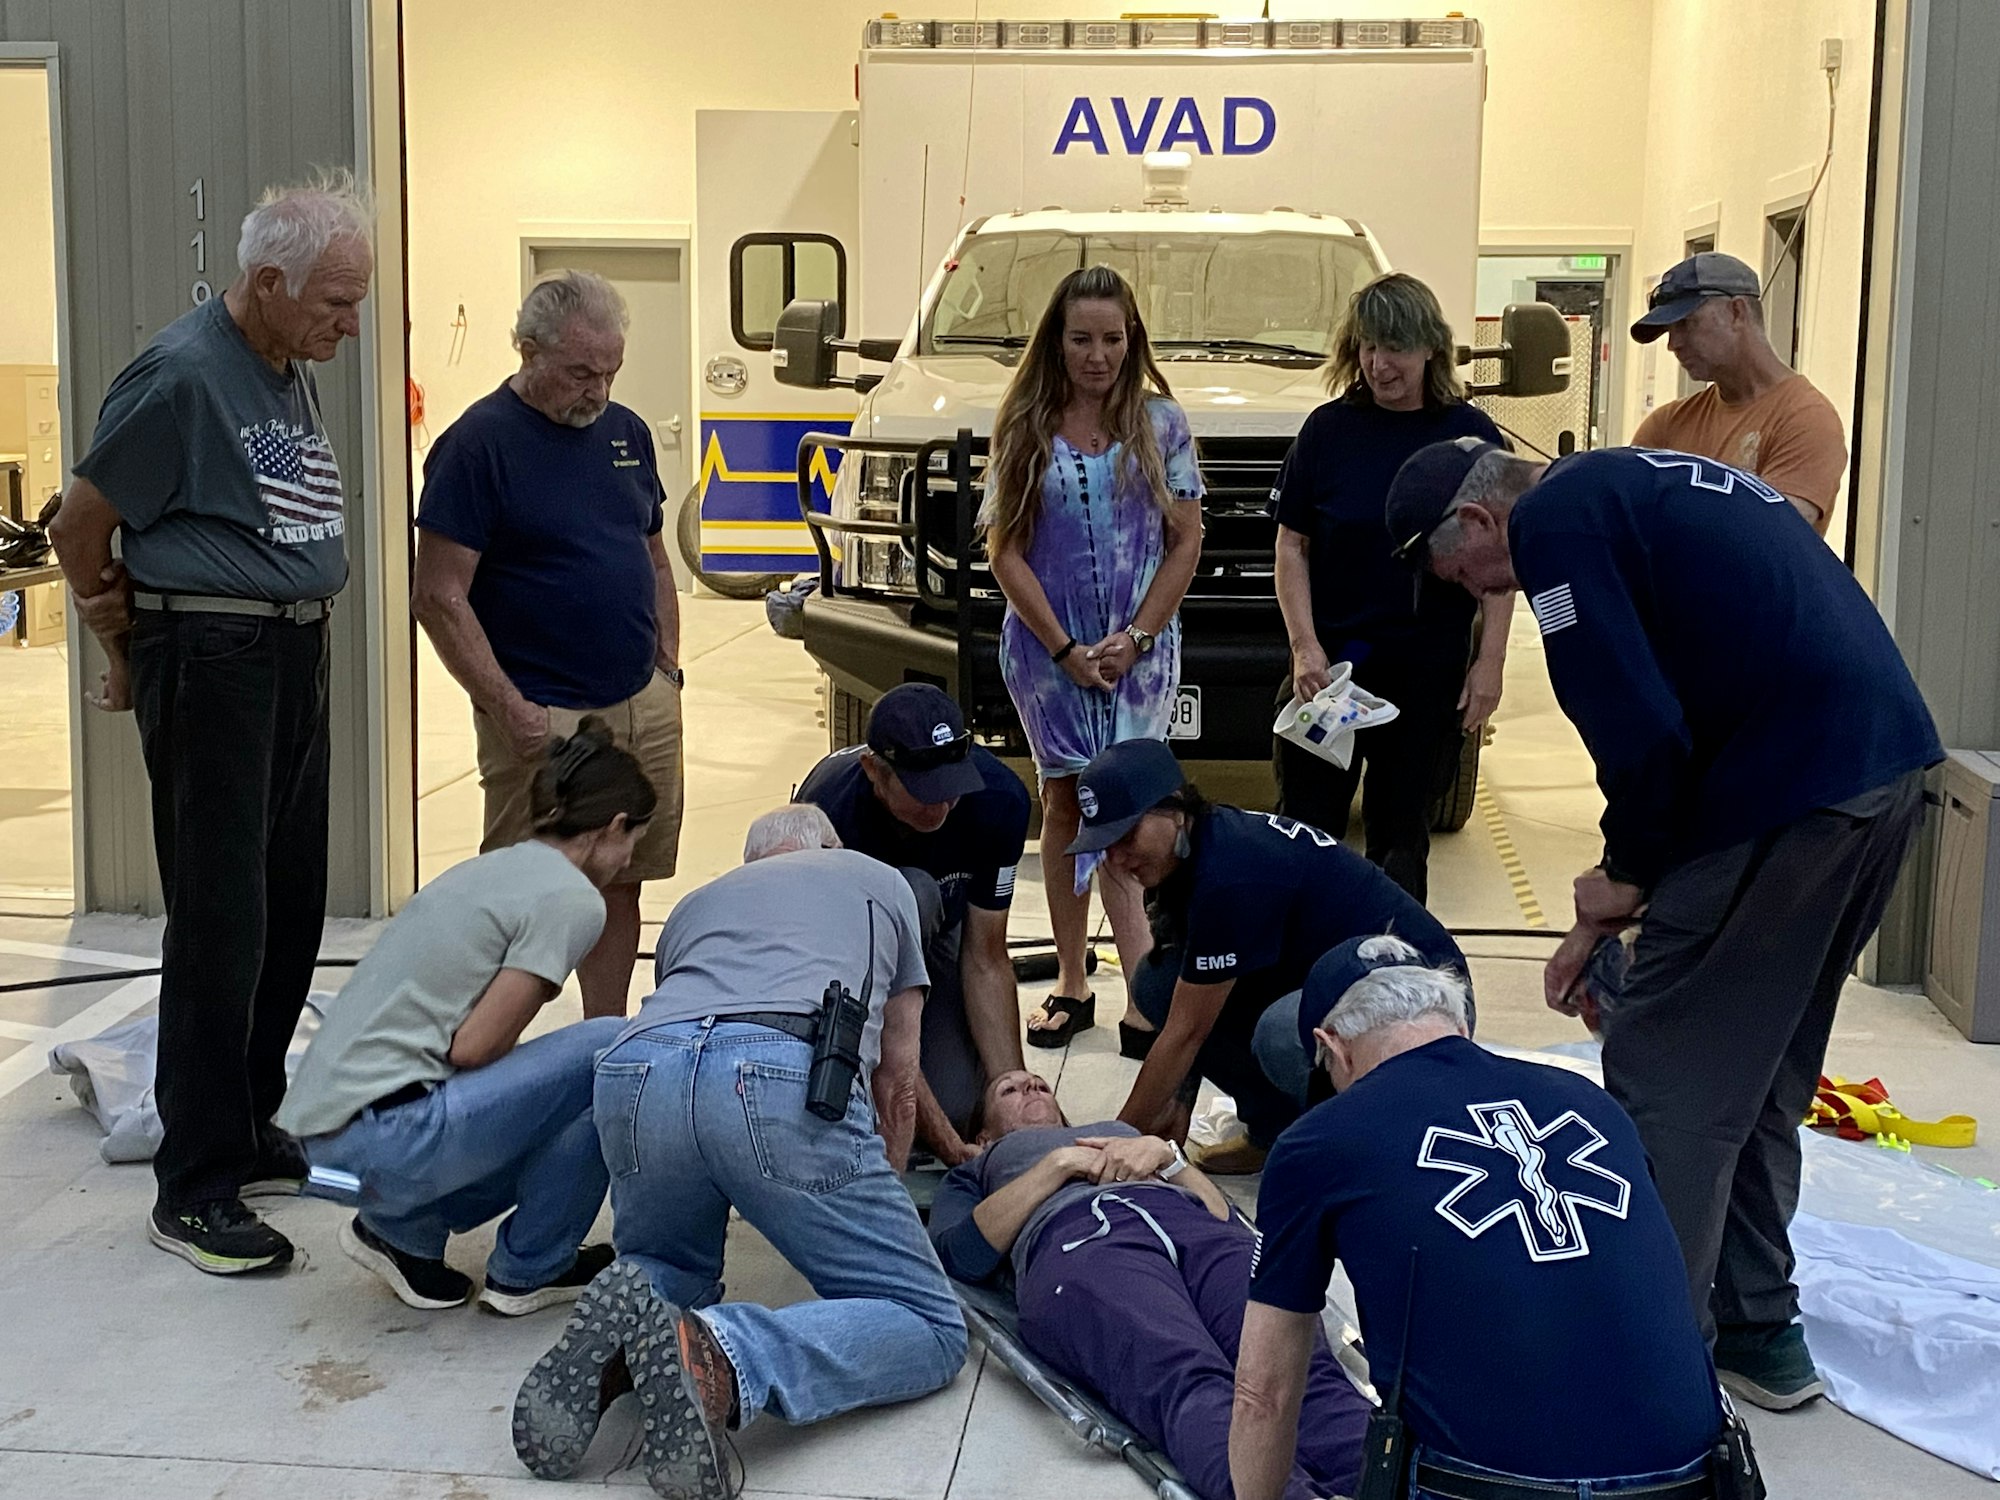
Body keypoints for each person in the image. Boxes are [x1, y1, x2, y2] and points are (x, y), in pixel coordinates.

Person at [1385, 436, 1942, 1409]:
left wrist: (1623, 876)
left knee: (1662, 1074)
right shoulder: (1625, 482)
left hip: (1791, 791)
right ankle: (1757, 1331)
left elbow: (1635, 727)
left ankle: (1650, 1367)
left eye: (1465, 578)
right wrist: (1611, 910)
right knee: (1760, 1067)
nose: (1483, 596)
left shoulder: (1552, 529)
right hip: (1881, 770)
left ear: (1479, 520)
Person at [47, 171, 374, 1275]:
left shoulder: (283, 365)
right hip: (217, 656)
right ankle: (192, 1185)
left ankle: (245, 1128)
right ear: (268, 281)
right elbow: (80, 521)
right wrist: (119, 642)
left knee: (287, 907)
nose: (350, 322)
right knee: (220, 919)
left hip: (288, 647)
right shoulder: (183, 375)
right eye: (334, 301)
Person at [512, 805, 966, 1498]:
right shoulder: (879, 879)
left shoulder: (697, 904)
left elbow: (691, 1024)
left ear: (753, 862)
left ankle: (633, 1321)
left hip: (637, 1072)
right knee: (929, 1325)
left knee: (669, 1264)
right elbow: (898, 1081)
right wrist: (874, 1213)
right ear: (831, 845)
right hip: (779, 1069)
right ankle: (725, 1357)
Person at [1230, 956, 1732, 1500]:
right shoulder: (1592, 1103)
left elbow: (1264, 1394)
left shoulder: (1320, 1141)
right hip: (1697, 1476)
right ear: (1460, 1026)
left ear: (1335, 1047)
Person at [277, 718, 651, 1314]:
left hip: (323, 1161)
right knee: (618, 1048)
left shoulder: (492, 870)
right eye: (633, 839)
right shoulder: (572, 897)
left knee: (569, 1094)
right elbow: (473, 1050)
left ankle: (404, 1235)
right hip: (385, 1146)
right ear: (611, 828)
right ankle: (532, 1265)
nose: (630, 856)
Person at [414, 269, 684, 1020]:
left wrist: (667, 664)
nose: (596, 391)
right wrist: (510, 709)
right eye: (579, 373)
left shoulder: (626, 434)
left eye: (609, 372)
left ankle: (604, 1041)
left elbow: (655, 555)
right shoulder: (477, 446)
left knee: (621, 877)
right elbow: (438, 596)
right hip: (542, 715)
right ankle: (478, 1057)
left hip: (640, 701)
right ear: (526, 351)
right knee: (519, 892)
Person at [930, 1069, 1369, 1500]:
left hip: (1200, 1229)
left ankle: (1402, 1485)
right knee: (1187, 1377)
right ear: (984, 1135)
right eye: (1009, 1089)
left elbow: (1225, 1215)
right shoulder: (979, 1169)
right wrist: (1059, 1164)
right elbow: (958, 1256)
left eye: (1040, 1084)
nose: (1031, 1086)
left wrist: (1168, 1158)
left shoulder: (1120, 1134)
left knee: (1296, 1368)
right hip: (1085, 1244)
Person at [984, 263, 1205, 1055]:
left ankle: (1145, 993)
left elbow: (1187, 539)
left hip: (1139, 652)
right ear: (1057, 341)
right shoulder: (1024, 427)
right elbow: (1005, 552)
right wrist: (1066, 649)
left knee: (1134, 809)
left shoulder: (1164, 424)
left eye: (1113, 338)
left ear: (1132, 340)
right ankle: (1074, 981)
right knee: (1066, 804)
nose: (1098, 355)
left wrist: (1138, 635)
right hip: (1050, 653)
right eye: (1082, 338)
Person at [1067, 737, 1464, 1173]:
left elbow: (1186, 1033)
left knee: (1280, 1032)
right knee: (1157, 983)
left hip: (1426, 997)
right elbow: (1190, 1005)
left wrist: (1114, 1147)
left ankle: (1365, 1152)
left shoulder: (1228, 875)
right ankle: (1273, 1130)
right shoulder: (1193, 851)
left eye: (1126, 836)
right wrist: (1173, 1104)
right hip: (1331, 973)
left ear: (1175, 809)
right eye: (1105, 844)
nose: (1117, 859)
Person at [1272, 272, 1512, 902]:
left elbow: (1499, 571)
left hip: (1425, 666)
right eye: (1368, 349)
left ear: (1432, 348)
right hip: (1329, 671)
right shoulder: (1327, 432)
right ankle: (1303, 966)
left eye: (1395, 350)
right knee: (1305, 831)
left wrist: (1489, 664)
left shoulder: (1472, 438)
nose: (1380, 366)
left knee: (1401, 834)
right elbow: (1291, 545)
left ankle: (1396, 971)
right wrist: (1304, 646)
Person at [796, 682, 1030, 1161]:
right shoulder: (829, 816)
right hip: (841, 963)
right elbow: (836, 977)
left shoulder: (1000, 798)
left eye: (952, 789)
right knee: (909, 892)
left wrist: (1015, 1105)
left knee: (963, 1104)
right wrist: (944, 1140)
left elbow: (986, 957)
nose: (942, 806)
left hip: (941, 932)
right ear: (873, 771)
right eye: (926, 793)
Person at [1631, 251, 1847, 536]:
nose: (1673, 344)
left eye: (1686, 323)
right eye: (1669, 330)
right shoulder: (1666, 425)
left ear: (1736, 312)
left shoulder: (1807, 420)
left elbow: (1768, 540)